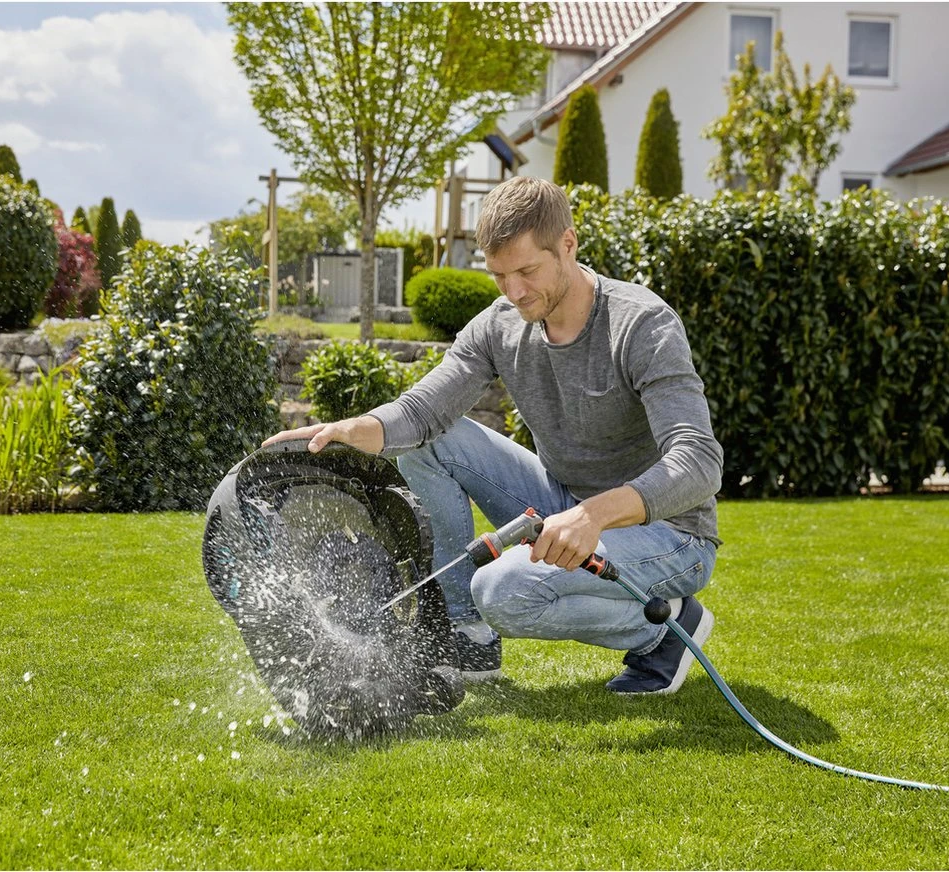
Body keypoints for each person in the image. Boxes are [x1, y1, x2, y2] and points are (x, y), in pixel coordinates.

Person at [263, 176, 722, 695]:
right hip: (563, 503)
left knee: (503, 589)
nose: (515, 291)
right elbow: (423, 411)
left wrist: (594, 515)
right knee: (430, 441)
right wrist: (354, 427)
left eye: (527, 270)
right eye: (500, 275)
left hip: (671, 535)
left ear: (567, 245)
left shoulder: (642, 325)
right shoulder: (500, 325)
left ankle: (661, 634)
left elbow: (699, 462)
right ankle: (466, 634)